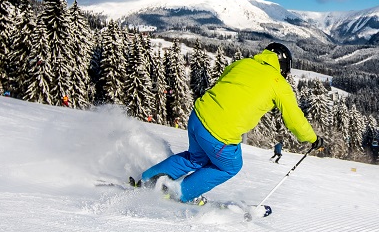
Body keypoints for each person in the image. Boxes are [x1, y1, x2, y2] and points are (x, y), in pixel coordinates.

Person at [135, 43, 324, 203]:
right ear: (283, 66)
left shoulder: (243, 63)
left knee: (195, 158)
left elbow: (225, 82)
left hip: (198, 116)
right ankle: (179, 194)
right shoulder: (278, 84)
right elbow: (294, 119)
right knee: (230, 166)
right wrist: (312, 138)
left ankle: (147, 180)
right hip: (219, 132)